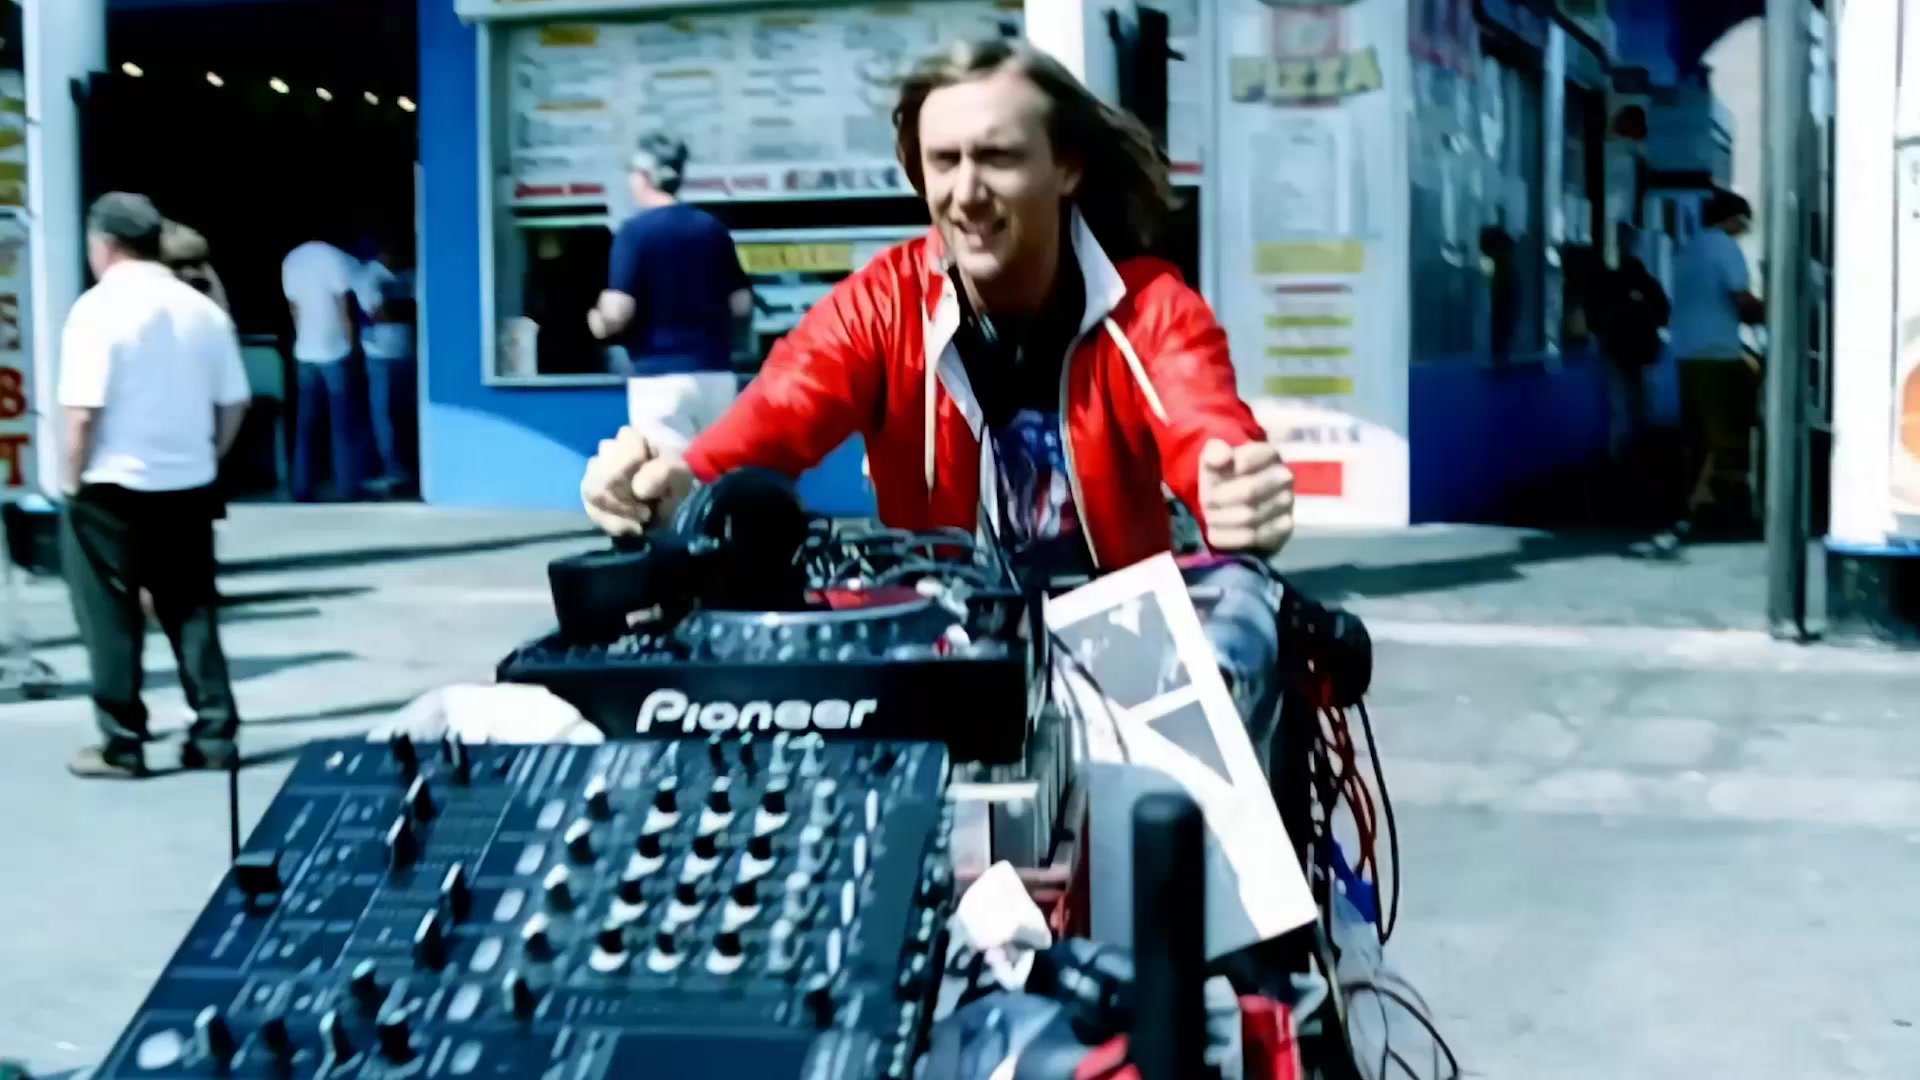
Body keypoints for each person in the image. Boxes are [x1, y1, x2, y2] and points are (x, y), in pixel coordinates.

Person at [579, 40, 1296, 748]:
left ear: (1067, 166)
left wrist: (1238, 494)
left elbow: (1209, 430)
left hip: (1125, 671)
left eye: (999, 157)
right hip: (940, 663)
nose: (967, 192)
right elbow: (758, 431)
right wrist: (662, 489)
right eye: (945, 161)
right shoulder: (880, 307)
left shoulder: (1151, 309)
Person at [56, 193, 250, 779]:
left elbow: (82, 412)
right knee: (191, 609)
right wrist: (206, 456)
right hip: (187, 482)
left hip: (110, 485)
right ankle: (213, 734)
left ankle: (122, 741)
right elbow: (234, 403)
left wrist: (70, 480)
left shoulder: (96, 310)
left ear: (104, 244)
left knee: (109, 616)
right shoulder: (202, 311)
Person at [589, 133, 754, 453]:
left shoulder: (634, 232)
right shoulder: (711, 228)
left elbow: (618, 312)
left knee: (668, 476)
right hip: (716, 376)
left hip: (659, 380)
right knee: (718, 473)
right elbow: (741, 304)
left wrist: (597, 320)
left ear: (644, 176)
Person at [1666, 190, 1765, 538]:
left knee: (1695, 434)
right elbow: (1742, 300)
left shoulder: (1687, 249)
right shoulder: (1725, 248)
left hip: (1685, 352)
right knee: (1725, 436)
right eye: (1745, 223)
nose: (1745, 231)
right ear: (1734, 219)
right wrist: (1776, 310)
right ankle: (1716, 506)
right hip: (1718, 352)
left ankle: (1692, 503)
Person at [282, 233, 369, 502]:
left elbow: (294, 308)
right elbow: (343, 309)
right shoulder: (335, 258)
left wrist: (302, 336)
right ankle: (347, 487)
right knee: (343, 424)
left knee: (305, 426)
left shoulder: (292, 259)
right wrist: (352, 344)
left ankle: (302, 487)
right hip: (334, 350)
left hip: (305, 351)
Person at [353, 239, 417, 496]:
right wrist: (406, 311)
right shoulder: (369, 276)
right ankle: (393, 472)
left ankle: (405, 472)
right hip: (382, 353)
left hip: (404, 352)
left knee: (401, 415)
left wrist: (398, 311)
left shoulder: (406, 274)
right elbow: (379, 314)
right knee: (386, 417)